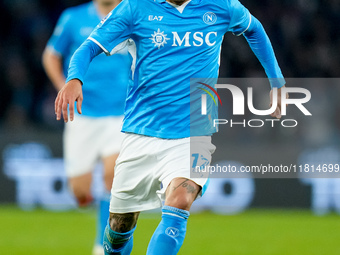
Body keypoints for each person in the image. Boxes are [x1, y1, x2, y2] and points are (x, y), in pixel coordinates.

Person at [55, 0, 286, 254]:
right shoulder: (135, 8)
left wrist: (276, 80)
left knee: (180, 202)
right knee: (120, 226)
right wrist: (74, 78)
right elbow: (88, 47)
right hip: (141, 132)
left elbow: (254, 29)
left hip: (195, 132)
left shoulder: (222, 6)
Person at [42, 1, 131, 254]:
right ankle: (92, 202)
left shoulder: (131, 14)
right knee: (80, 192)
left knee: (112, 177)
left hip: (120, 113)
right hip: (82, 114)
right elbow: (50, 55)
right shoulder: (74, 18)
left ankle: (102, 244)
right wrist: (63, 85)